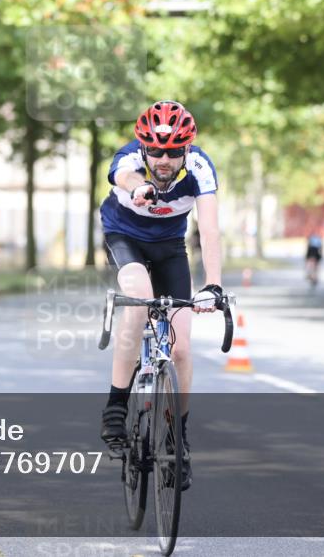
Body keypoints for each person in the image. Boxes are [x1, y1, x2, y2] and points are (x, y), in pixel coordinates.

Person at [99, 100, 225, 491]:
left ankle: (177, 438)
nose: (165, 159)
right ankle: (116, 407)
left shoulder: (200, 169)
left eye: (173, 151)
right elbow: (124, 176)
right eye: (156, 151)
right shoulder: (131, 160)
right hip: (125, 239)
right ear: (144, 148)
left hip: (170, 247)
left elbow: (209, 229)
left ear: (187, 149)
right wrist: (142, 188)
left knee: (182, 348)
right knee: (138, 299)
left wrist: (213, 285)